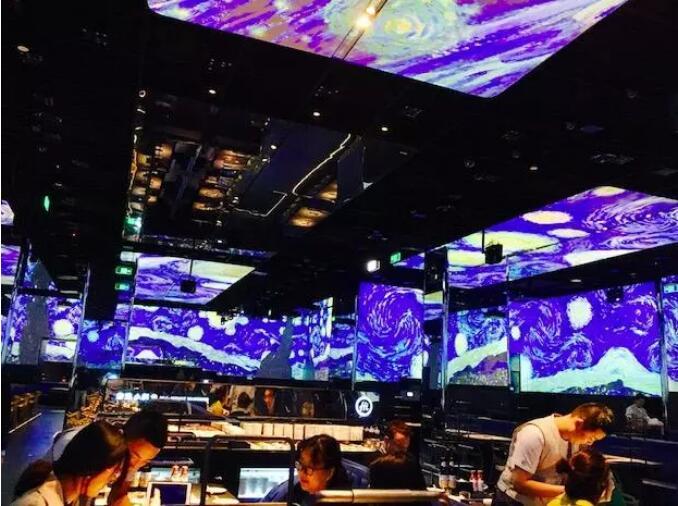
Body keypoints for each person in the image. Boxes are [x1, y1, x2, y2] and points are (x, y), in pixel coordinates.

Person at [494, 403, 614, 506]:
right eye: (591, 438)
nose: (590, 443)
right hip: (515, 501)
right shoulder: (534, 435)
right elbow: (519, 484)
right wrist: (572, 492)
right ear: (579, 424)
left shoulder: (577, 439)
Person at [13, 421, 127, 506]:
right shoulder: (36, 502)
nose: (114, 478)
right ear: (91, 470)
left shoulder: (69, 497)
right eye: (113, 471)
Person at [107, 410, 168, 506]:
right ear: (122, 437)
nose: (135, 466)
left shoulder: (133, 464)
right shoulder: (102, 451)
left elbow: (119, 495)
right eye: (134, 456)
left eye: (145, 461)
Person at [293, 435, 352, 506]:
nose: (302, 473)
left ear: (330, 472)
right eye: (300, 465)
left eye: (310, 468)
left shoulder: (341, 499)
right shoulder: (295, 489)